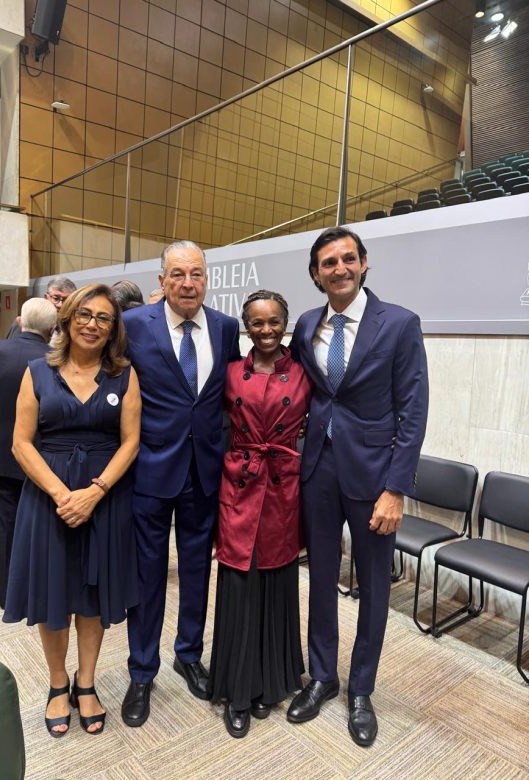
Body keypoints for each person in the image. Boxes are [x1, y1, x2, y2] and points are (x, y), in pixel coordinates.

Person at [288, 226, 428, 747]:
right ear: (316, 273)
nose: (340, 268)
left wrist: (397, 489)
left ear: (364, 264)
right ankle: (322, 676)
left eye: (348, 259)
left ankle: (361, 690)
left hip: (374, 480)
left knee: (372, 588)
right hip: (317, 471)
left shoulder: (399, 324)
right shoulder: (306, 326)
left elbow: (413, 412)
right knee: (320, 579)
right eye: (329, 262)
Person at [3, 283, 141, 738]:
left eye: (104, 318)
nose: (92, 324)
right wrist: (64, 495)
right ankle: (57, 683)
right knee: (52, 595)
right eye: (85, 314)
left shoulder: (124, 375)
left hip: (105, 500)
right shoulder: (37, 371)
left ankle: (86, 683)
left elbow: (131, 442)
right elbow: (21, 443)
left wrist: (94, 492)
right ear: (67, 319)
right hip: (48, 501)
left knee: (93, 597)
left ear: (113, 328)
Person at [121, 240, 240, 728]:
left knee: (197, 573)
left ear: (205, 278)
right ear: (162, 280)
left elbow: (228, 397)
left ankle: (188, 654)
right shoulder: (132, 326)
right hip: (149, 471)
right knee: (147, 578)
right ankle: (142, 671)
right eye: (178, 274)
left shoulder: (227, 328)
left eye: (196, 274)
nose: (188, 283)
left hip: (205, 473)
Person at [207, 290, 311, 739]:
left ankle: (272, 681)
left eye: (273, 322)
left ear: (285, 323)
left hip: (284, 486)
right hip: (241, 483)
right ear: (245, 327)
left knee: (276, 581)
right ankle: (237, 690)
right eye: (256, 323)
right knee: (239, 581)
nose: (265, 330)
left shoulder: (306, 373)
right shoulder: (230, 372)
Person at [0, 298, 57, 608]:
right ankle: (35, 588)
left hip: (1, 453)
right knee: (42, 525)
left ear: (19, 322)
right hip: (41, 457)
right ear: (53, 329)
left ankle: (5, 594)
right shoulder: (55, 359)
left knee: (4, 523)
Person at [6, 277, 77, 338]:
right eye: (56, 298)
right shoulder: (26, 321)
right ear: (46, 297)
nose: (60, 305)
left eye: (66, 300)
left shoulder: (74, 326)